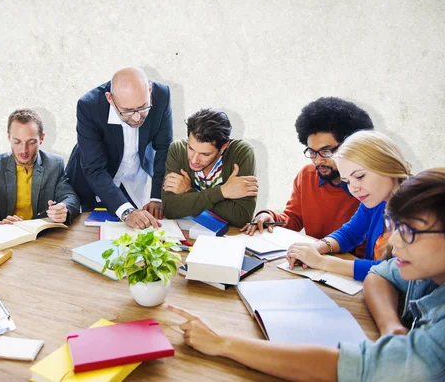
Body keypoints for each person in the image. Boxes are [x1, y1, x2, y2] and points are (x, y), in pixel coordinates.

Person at [166, 168, 445, 381]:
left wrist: (221, 342)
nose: (394, 242)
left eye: (409, 232)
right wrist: (390, 327)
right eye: (393, 226)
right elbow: (380, 274)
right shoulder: (422, 266)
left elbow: (349, 369)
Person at [286, 130, 412, 281]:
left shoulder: (419, 211)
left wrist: (322, 262)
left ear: (387, 166)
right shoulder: (378, 199)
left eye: (359, 176)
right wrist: (317, 247)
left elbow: (395, 271)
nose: (353, 189)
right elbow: (350, 233)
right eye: (347, 181)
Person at [242, 97, 373, 239]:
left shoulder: (369, 184)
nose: (317, 160)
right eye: (312, 152)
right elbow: (294, 219)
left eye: (326, 151)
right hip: (316, 256)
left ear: (351, 146)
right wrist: (269, 216)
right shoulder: (307, 175)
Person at [65, 67, 172, 230]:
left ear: (149, 89)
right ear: (110, 98)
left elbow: (163, 149)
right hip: (93, 181)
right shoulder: (89, 106)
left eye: (143, 108)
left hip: (133, 178)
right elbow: (95, 169)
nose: (137, 118)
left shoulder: (162, 95)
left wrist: (157, 197)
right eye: (127, 111)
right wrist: (126, 212)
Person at [0, 108, 80, 225]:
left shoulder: (54, 164)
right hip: (4, 237)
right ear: (9, 138)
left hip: (42, 237)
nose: (24, 150)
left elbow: (71, 197)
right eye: (17, 142)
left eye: (31, 142)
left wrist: (63, 208)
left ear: (41, 138)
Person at [161, 108, 258, 226]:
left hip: (227, 238)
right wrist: (222, 192)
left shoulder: (241, 152)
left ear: (223, 147)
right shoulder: (177, 150)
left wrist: (189, 193)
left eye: (205, 154)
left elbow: (241, 216)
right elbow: (170, 208)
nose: (194, 160)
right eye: (191, 148)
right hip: (188, 233)